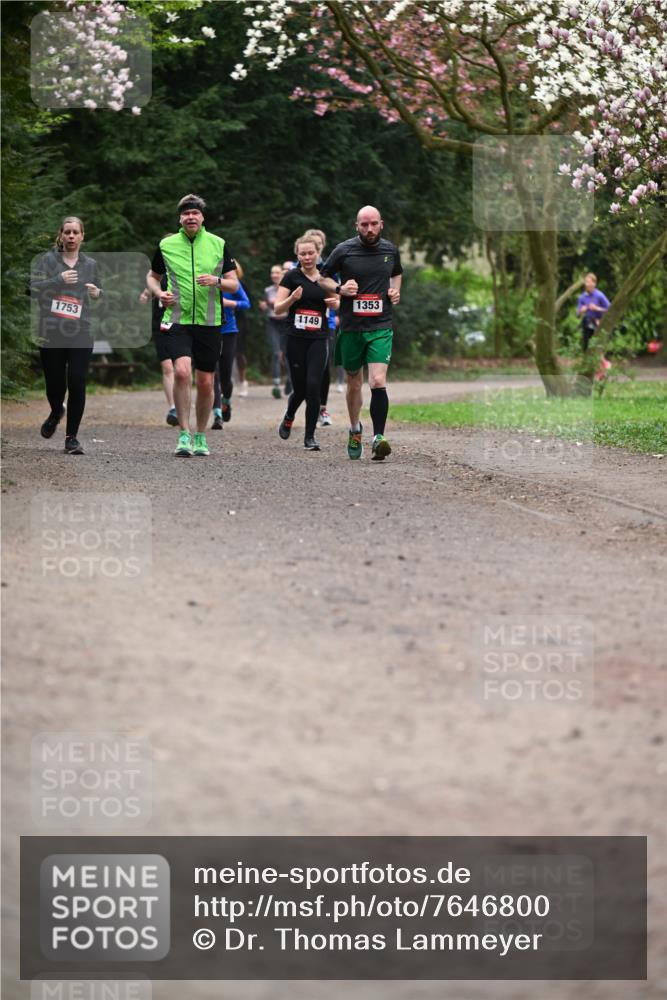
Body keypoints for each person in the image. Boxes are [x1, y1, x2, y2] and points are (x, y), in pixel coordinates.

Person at [146, 194, 238, 456]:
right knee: (182, 372)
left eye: (194, 213)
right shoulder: (167, 245)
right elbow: (152, 277)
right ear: (180, 218)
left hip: (210, 321)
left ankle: (201, 435)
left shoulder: (218, 244)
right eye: (186, 213)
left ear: (202, 217)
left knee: (206, 382)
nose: (190, 217)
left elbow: (234, 283)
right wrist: (158, 293)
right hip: (177, 319)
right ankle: (184, 434)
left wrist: (217, 281)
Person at [319, 205, 402, 461]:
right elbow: (322, 278)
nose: (369, 229)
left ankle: (379, 438)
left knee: (377, 381)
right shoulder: (344, 250)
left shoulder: (390, 249)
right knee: (354, 382)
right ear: (357, 225)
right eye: (364, 225)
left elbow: (397, 273)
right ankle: (355, 429)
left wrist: (395, 292)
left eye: (373, 224)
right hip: (352, 327)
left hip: (380, 326)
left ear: (381, 224)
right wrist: (340, 288)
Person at [30, 215, 102, 455]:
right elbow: (31, 289)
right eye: (67, 232)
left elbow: (100, 292)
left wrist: (97, 293)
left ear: (82, 236)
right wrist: (57, 280)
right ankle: (55, 411)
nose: (71, 236)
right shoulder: (47, 261)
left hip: (81, 330)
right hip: (51, 330)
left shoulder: (90, 264)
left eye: (75, 232)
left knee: (77, 380)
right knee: (54, 383)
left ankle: (72, 437)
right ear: (60, 235)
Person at [274, 235, 339, 451]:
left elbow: (338, 302)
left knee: (313, 387)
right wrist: (292, 298)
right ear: (297, 254)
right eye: (302, 253)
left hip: (319, 338)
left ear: (318, 252)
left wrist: (335, 303)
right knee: (300, 389)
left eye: (311, 253)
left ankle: (309, 437)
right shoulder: (291, 277)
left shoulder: (325, 277)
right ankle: (289, 415)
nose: (307, 257)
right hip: (295, 338)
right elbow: (277, 309)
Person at [303, 227, 336, 427]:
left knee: (323, 368)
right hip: (301, 326)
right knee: (305, 369)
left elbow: (338, 293)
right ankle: (310, 405)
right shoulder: (296, 270)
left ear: (321, 247)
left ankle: (322, 408)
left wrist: (336, 308)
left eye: (318, 244)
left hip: (326, 324)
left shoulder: (330, 268)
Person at [212, 262, 250, 429]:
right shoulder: (203, 279)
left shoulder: (231, 282)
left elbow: (246, 303)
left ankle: (226, 400)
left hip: (228, 331)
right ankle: (217, 413)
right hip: (208, 330)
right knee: (213, 373)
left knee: (226, 374)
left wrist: (230, 303)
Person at [139, 276, 178, 426]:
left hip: (182, 324)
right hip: (161, 326)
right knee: (168, 367)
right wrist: (145, 296)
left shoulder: (185, 270)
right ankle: (173, 408)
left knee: (182, 368)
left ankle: (182, 406)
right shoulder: (158, 276)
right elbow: (145, 294)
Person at [259, 264, 291, 398]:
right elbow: (264, 306)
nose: (274, 275)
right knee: (276, 353)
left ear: (282, 274)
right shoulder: (268, 290)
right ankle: (276, 384)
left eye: (277, 273)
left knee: (288, 353)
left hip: (286, 323)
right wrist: (264, 306)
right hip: (272, 323)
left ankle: (291, 381)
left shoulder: (289, 288)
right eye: (272, 273)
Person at [577, 272, 610, 352]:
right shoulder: (582, 297)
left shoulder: (599, 295)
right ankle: (586, 353)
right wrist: (581, 310)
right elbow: (577, 314)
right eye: (586, 282)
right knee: (586, 319)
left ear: (594, 283)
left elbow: (610, 310)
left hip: (599, 322)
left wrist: (597, 308)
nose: (587, 284)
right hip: (587, 324)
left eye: (589, 282)